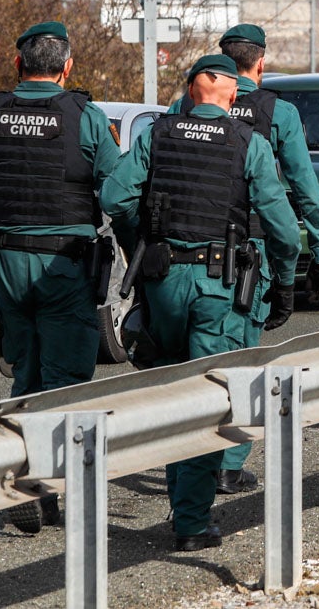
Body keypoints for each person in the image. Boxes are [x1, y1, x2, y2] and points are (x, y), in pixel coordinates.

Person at [102, 54, 301, 552]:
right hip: (219, 286)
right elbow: (281, 228)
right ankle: (191, 521)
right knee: (210, 397)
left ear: (191, 91)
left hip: (163, 281)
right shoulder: (247, 143)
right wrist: (287, 284)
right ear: (233, 94)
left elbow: (115, 196)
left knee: (173, 389)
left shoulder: (158, 134)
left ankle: (181, 498)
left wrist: (140, 247)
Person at [0, 21, 121, 534]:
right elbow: (119, 193)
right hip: (64, 265)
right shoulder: (85, 117)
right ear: (68, 67)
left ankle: (29, 483)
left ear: (18, 65)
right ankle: (54, 489)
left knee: (26, 374)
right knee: (68, 382)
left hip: (6, 266)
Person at [169, 23, 319, 495]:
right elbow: (303, 185)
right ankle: (227, 460)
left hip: (186, 247)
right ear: (260, 62)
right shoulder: (276, 112)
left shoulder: (184, 109)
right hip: (250, 251)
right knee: (240, 355)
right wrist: (315, 254)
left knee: (191, 359)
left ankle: (191, 454)